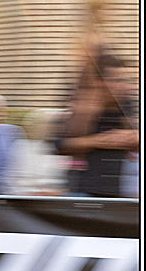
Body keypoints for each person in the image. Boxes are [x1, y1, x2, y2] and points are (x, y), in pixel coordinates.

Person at [54, 54, 139, 198]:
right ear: (101, 82)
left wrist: (133, 137)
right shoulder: (84, 106)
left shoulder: (127, 104)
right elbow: (60, 144)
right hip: (84, 191)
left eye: (129, 81)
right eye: (118, 80)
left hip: (121, 192)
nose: (127, 87)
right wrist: (101, 140)